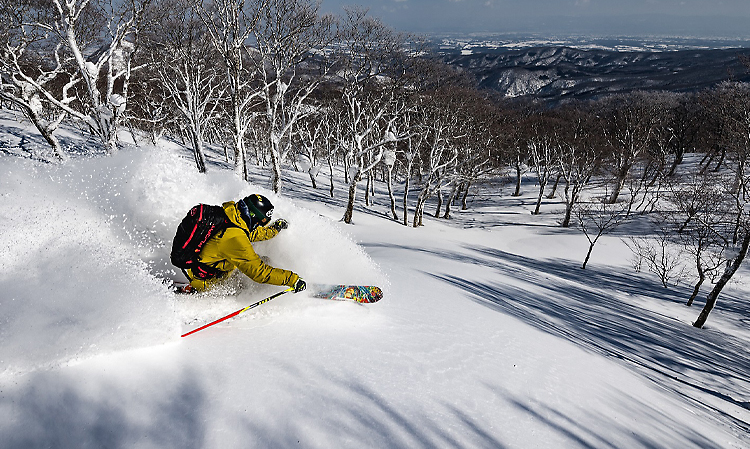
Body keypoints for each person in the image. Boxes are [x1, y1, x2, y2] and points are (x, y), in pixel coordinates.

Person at [178, 194, 306, 294]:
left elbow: (253, 233)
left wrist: (275, 229)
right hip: (211, 282)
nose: (258, 226)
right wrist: (292, 280)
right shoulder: (234, 238)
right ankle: (196, 288)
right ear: (253, 216)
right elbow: (259, 272)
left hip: (211, 267)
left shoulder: (233, 218)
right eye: (259, 223)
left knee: (263, 260)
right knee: (260, 268)